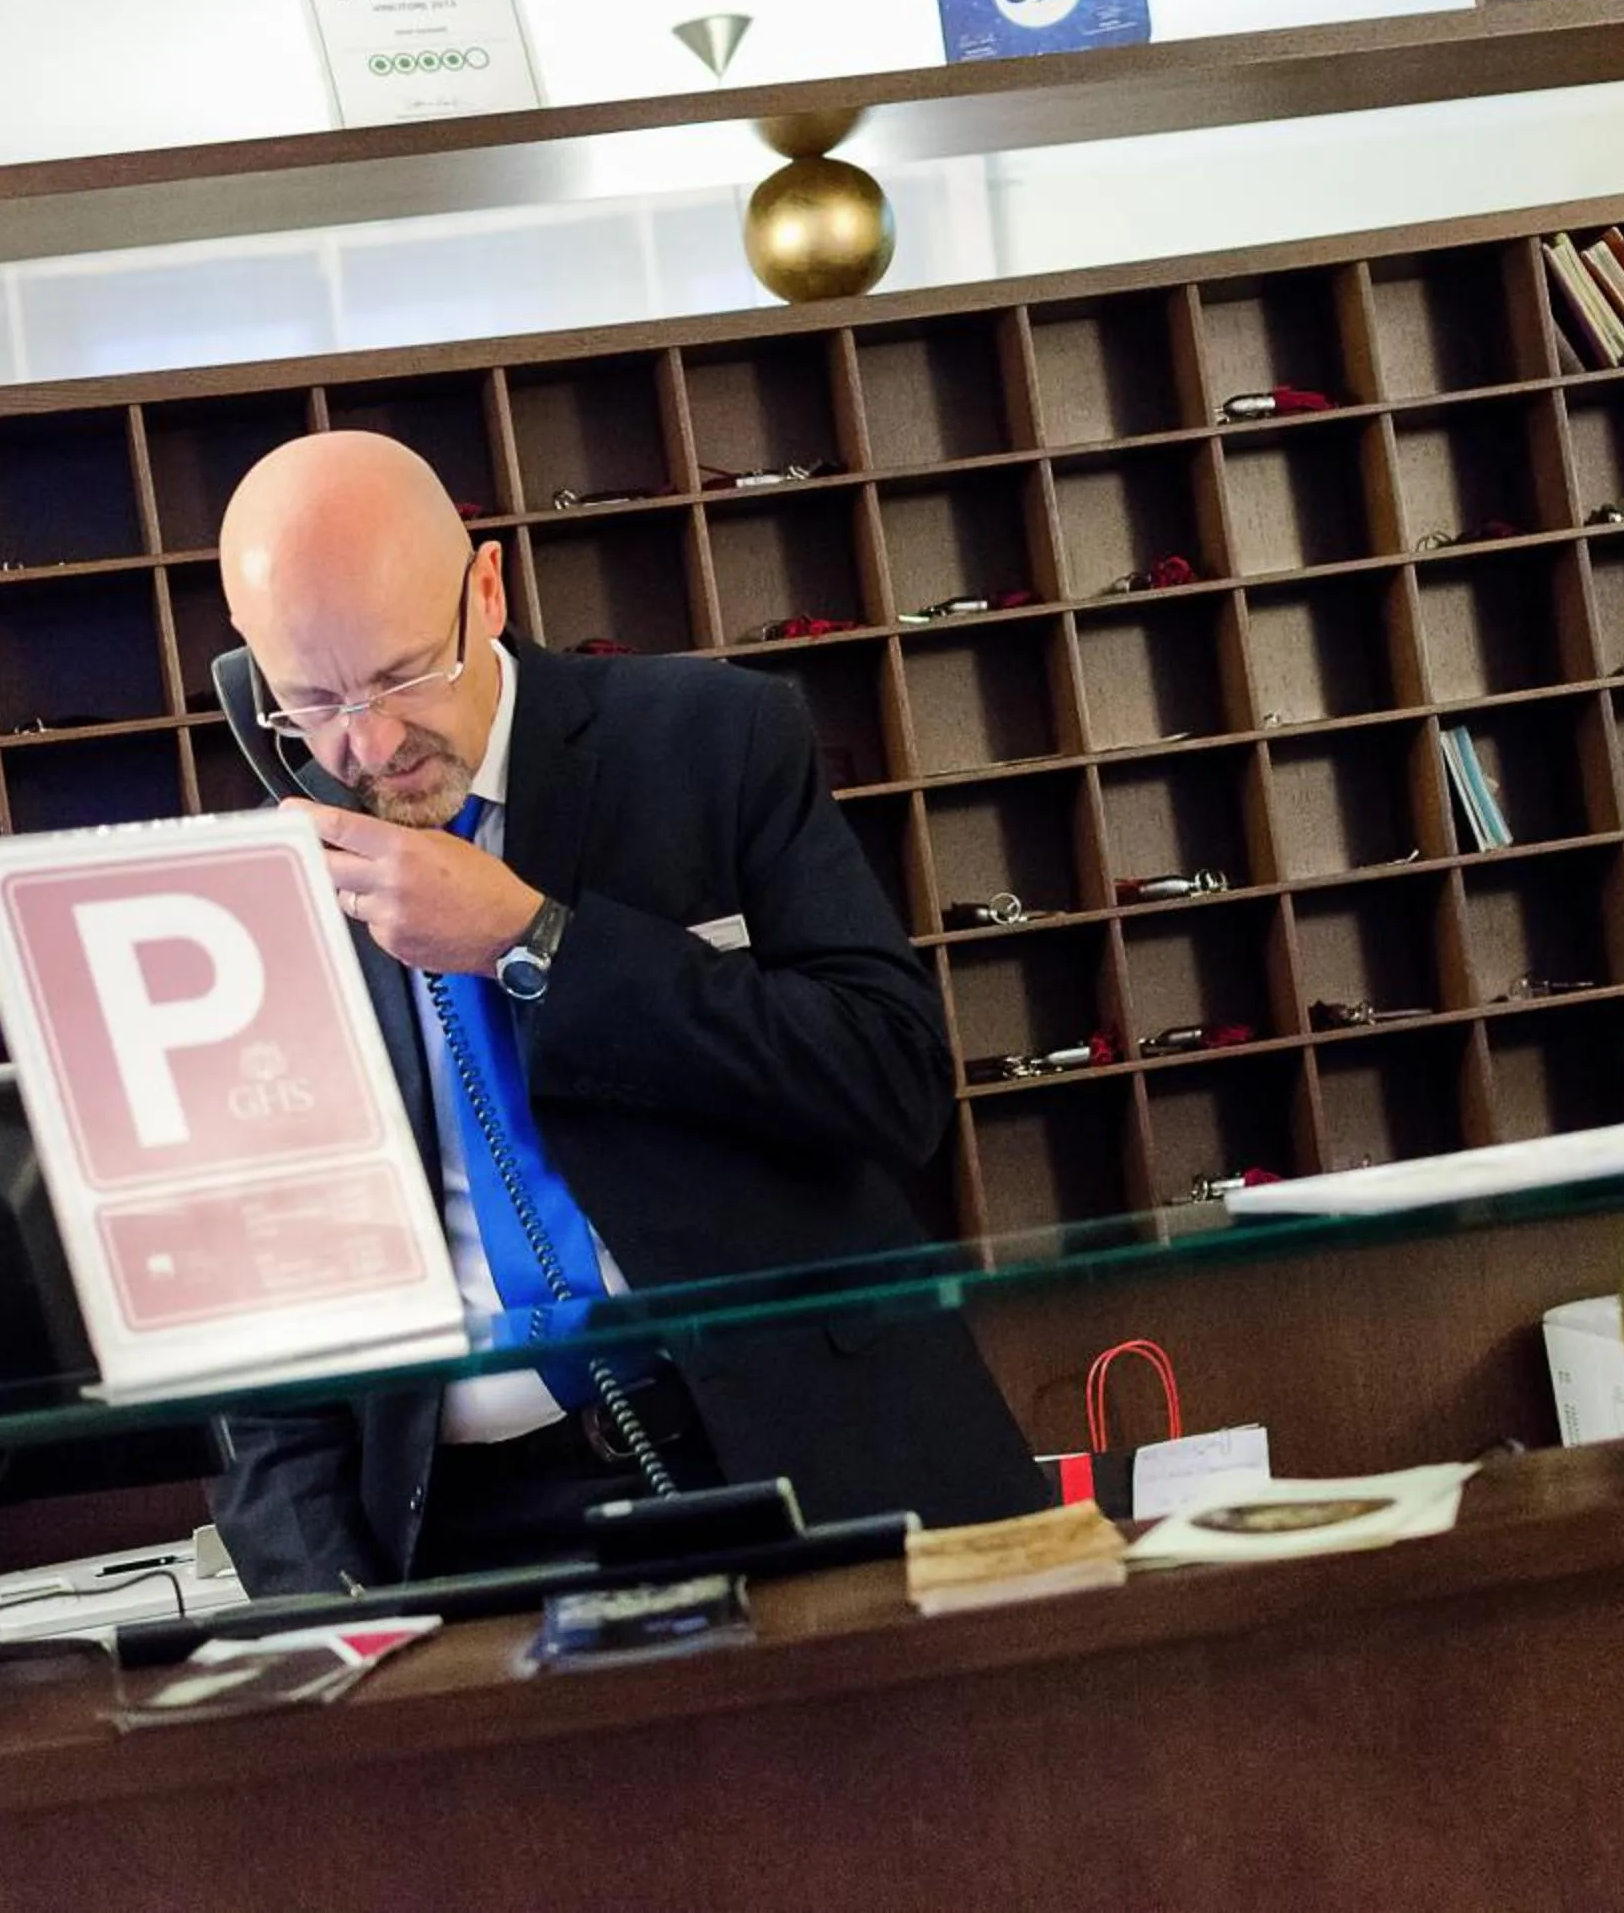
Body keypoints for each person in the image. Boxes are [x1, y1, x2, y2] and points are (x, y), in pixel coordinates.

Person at [203, 431, 1045, 1595]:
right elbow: (259, 1311)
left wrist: (535, 938)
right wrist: (323, 1608)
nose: (372, 742)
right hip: (473, 1525)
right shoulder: (257, 894)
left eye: (401, 675)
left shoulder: (714, 738)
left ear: (486, 590)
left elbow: (891, 1077)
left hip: (802, 1448)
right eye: (311, 701)